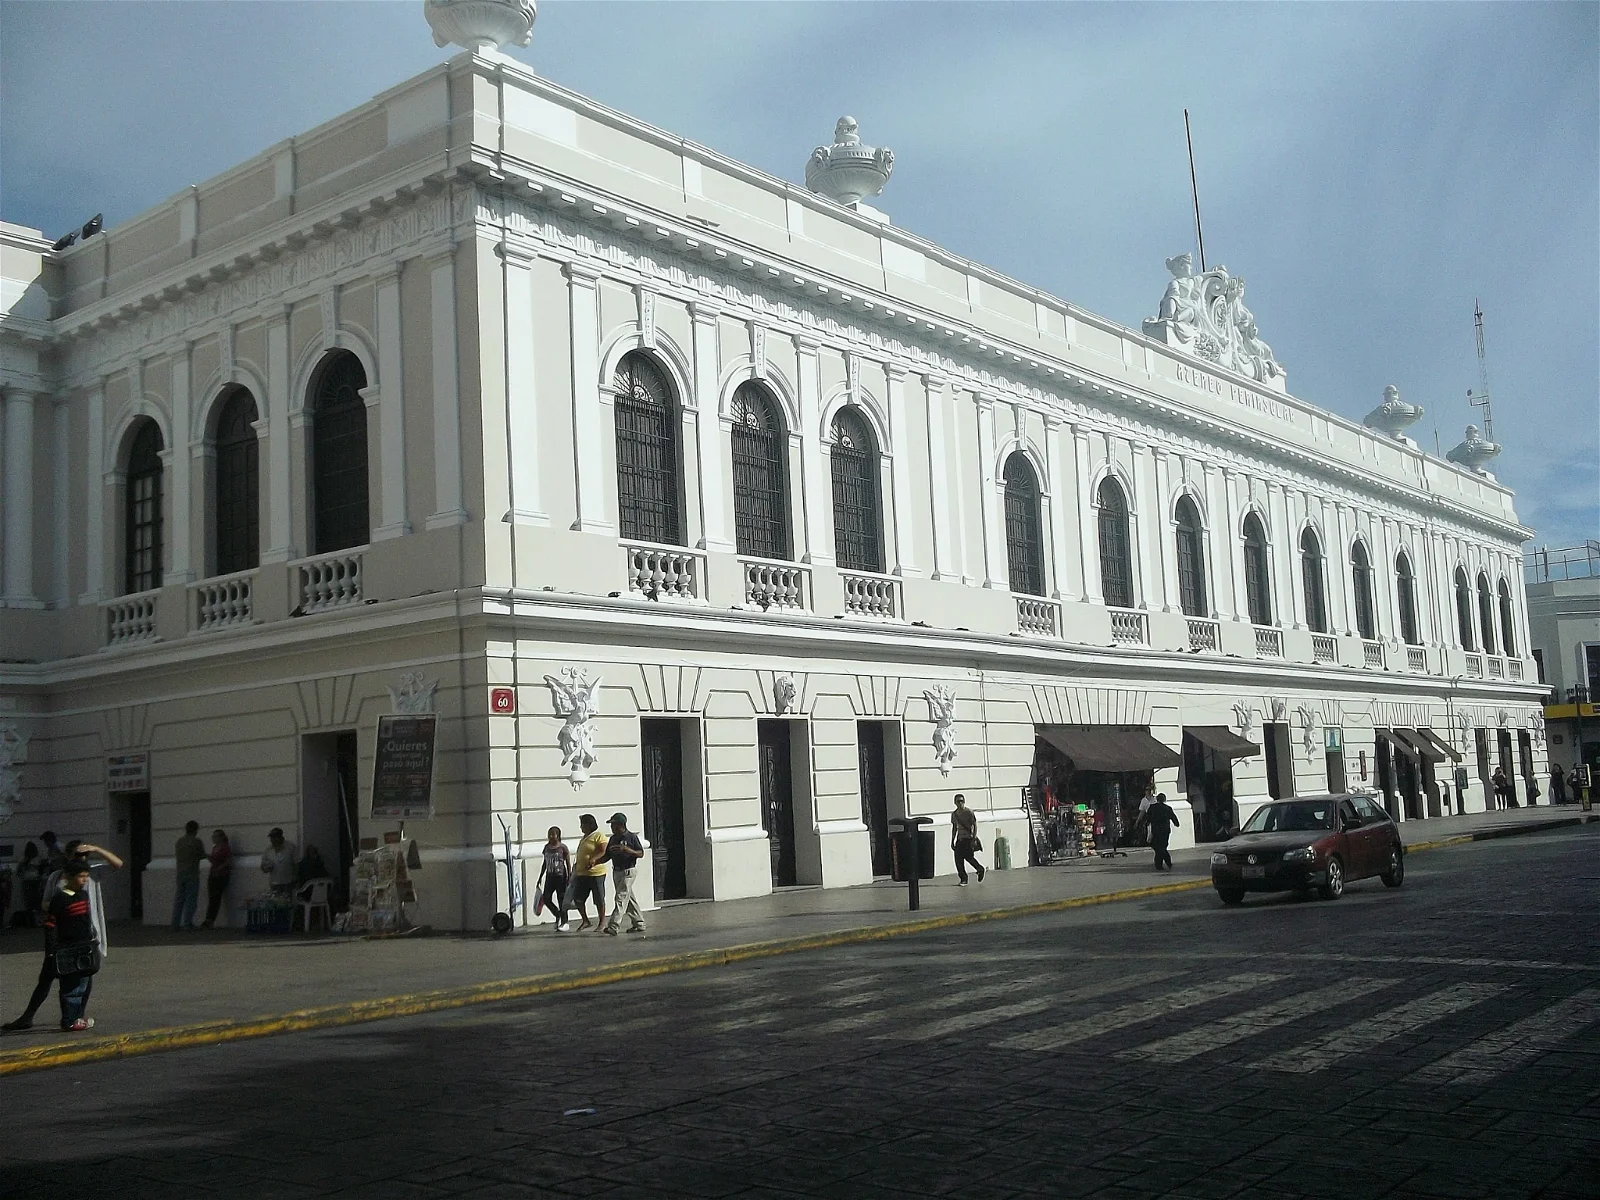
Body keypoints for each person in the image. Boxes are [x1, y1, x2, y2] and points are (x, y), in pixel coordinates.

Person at [5, 843, 122, 1033]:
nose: (81, 858)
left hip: (87, 936)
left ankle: (76, 1016)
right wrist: (63, 905)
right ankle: (29, 1016)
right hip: (62, 937)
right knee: (48, 977)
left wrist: (97, 850)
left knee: (84, 976)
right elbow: (46, 904)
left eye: (85, 855)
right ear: (68, 855)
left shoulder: (90, 873)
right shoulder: (57, 877)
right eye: (77, 854)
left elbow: (118, 864)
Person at [601, 813, 646, 936]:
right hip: (617, 871)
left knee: (620, 897)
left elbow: (641, 853)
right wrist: (595, 862)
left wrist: (627, 850)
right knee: (629, 898)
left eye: (614, 824)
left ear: (621, 825)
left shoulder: (631, 837)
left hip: (628, 871)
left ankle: (613, 926)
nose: (612, 827)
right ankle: (639, 923)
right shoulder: (613, 839)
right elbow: (607, 856)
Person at [569, 814, 608, 933]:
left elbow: (603, 850)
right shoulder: (585, 837)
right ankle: (585, 920)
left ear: (590, 825)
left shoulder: (598, 835)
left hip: (596, 873)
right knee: (578, 898)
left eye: (583, 824)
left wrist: (594, 859)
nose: (581, 827)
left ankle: (602, 922)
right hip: (582, 873)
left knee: (598, 899)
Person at [537, 826, 573, 933]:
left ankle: (565, 921)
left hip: (560, 876)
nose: (551, 836)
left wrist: (569, 875)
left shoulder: (563, 847)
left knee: (561, 899)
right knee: (546, 898)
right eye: (550, 834)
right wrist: (540, 876)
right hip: (550, 876)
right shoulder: (546, 848)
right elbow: (545, 863)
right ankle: (557, 914)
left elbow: (567, 862)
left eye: (553, 834)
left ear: (558, 835)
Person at [172, 820, 206, 931]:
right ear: (196, 830)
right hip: (192, 872)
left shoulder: (179, 841)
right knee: (191, 899)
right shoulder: (196, 842)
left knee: (179, 899)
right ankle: (187, 923)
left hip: (180, 872)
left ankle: (175, 923)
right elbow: (201, 855)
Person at [950, 794, 985, 885]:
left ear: (964, 801)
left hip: (968, 838)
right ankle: (963, 879)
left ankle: (980, 869)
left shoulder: (969, 812)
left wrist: (973, 838)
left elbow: (974, 825)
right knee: (958, 860)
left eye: (962, 801)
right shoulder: (954, 814)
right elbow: (954, 827)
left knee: (969, 857)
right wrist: (952, 840)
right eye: (958, 801)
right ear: (955, 803)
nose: (960, 803)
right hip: (959, 839)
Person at [202, 829, 232, 928]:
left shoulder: (225, 847)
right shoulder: (215, 848)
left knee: (216, 897)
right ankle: (209, 919)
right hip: (213, 874)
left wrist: (220, 868)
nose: (213, 838)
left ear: (221, 837)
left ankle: (210, 919)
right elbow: (214, 860)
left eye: (216, 836)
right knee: (212, 897)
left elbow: (228, 860)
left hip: (221, 875)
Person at [1146, 792, 1181, 871]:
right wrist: (1176, 824)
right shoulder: (1167, 808)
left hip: (1156, 831)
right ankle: (1166, 863)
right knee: (1162, 847)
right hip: (1165, 831)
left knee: (1158, 848)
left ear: (1157, 799)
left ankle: (1160, 865)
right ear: (1164, 800)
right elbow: (1174, 818)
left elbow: (1147, 819)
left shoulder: (1152, 808)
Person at [260, 828, 297, 895]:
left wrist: (296, 880)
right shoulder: (268, 850)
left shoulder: (291, 847)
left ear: (281, 837)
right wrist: (266, 869)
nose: (273, 840)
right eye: (271, 838)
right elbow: (263, 866)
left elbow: (297, 864)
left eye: (275, 837)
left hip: (289, 883)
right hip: (274, 884)